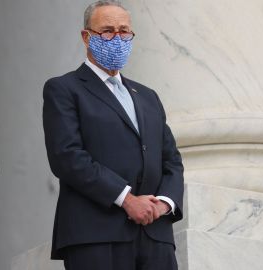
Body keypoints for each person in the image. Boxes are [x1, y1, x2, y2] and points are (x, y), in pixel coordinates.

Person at [42, 1, 184, 269]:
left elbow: (172, 161)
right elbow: (67, 156)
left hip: (155, 237)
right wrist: (127, 199)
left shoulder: (148, 96)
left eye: (124, 31)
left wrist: (163, 204)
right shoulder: (64, 89)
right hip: (96, 234)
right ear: (87, 37)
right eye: (107, 31)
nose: (117, 39)